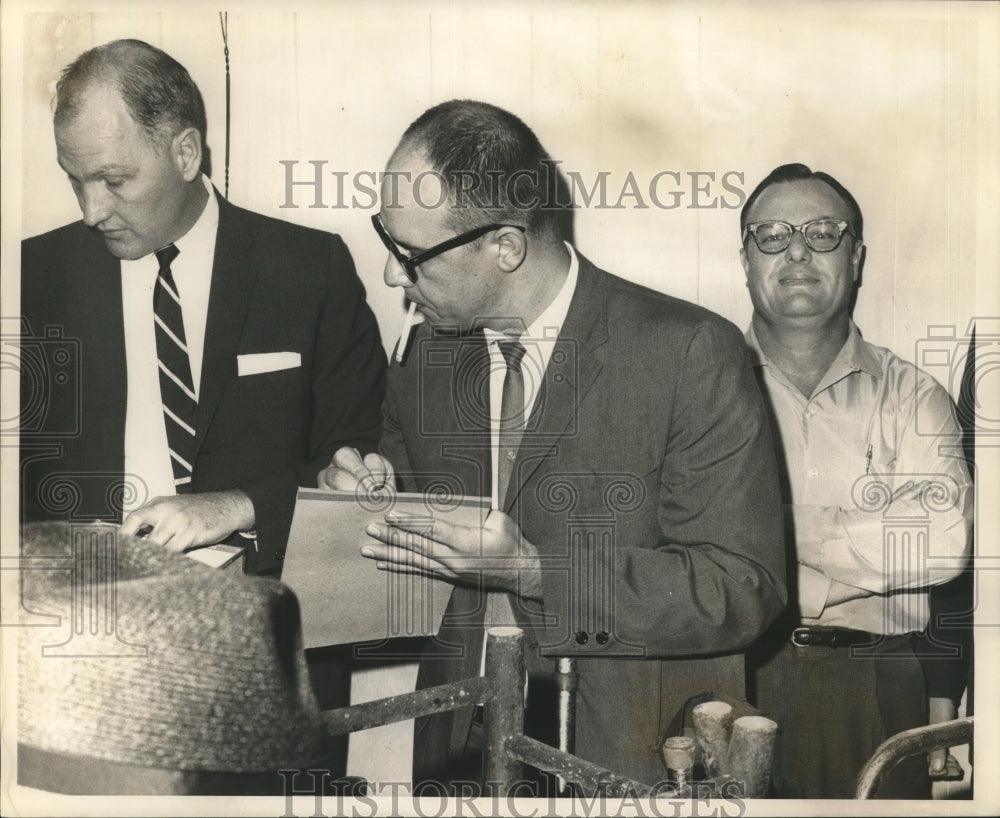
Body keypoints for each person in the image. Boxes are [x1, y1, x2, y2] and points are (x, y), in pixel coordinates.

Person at [319, 100, 787, 790]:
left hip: (622, 756)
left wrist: (538, 572)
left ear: (505, 246)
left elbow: (740, 589)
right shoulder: (425, 355)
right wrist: (361, 503)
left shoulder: (689, 350)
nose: (393, 278)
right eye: (386, 240)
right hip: (457, 749)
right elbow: (401, 569)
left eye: (409, 256)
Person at [19, 39, 386, 577]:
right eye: (76, 180)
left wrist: (241, 504)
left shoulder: (311, 269)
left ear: (185, 154)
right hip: (82, 623)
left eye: (114, 181)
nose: (92, 211)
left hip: (271, 623)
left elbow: (361, 464)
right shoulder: (31, 275)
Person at [739, 163, 973, 798]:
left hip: (877, 682)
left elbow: (945, 542)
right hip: (734, 675)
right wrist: (869, 530)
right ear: (745, 258)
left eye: (822, 232)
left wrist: (763, 522)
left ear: (856, 256)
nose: (796, 250)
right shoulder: (702, 387)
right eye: (772, 234)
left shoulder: (913, 396)